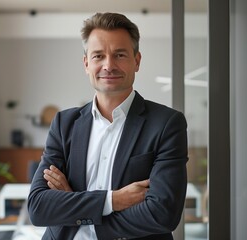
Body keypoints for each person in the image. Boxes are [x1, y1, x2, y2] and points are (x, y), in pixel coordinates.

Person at [27, 12, 188, 240]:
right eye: (98, 56)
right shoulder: (64, 123)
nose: (108, 65)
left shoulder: (166, 124)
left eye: (119, 55)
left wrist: (76, 207)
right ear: (86, 63)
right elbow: (38, 207)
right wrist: (114, 200)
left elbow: (162, 214)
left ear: (137, 60)